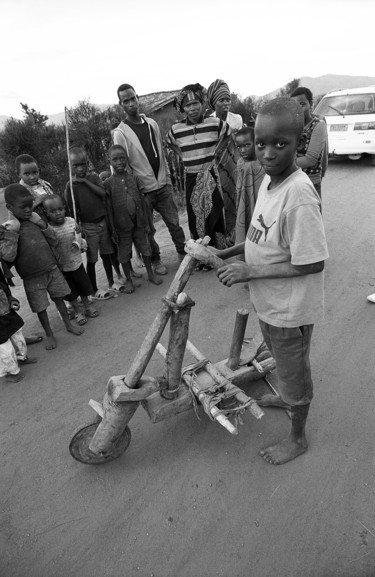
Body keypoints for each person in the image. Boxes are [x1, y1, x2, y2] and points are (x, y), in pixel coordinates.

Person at [212, 98, 329, 465]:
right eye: (261, 143)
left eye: (280, 144)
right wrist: (230, 251)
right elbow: (261, 235)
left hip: (289, 309)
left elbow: (312, 263)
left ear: (299, 142)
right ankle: (285, 396)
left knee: (295, 372)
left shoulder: (299, 195)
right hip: (270, 302)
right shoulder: (268, 183)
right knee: (280, 358)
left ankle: (298, 438)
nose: (267, 153)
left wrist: (250, 272)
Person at [113, 83, 186, 275]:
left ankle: (183, 254)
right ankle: (155, 260)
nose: (130, 103)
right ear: (121, 104)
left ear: (138, 98)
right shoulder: (120, 133)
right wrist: (133, 189)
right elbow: (121, 163)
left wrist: (168, 177)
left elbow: (160, 152)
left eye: (132, 98)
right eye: (125, 101)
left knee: (174, 223)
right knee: (148, 229)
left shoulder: (151, 123)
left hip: (163, 184)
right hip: (143, 189)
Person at [2, 184, 84, 350]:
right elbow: (7, 256)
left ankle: (68, 324)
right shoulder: (9, 229)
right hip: (32, 277)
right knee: (41, 308)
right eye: (22, 207)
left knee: (59, 299)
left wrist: (43, 225)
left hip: (52, 269)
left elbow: (54, 240)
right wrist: (13, 233)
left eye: (30, 205)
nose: (28, 209)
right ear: (9, 208)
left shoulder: (36, 220)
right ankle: (49, 334)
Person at [165, 83, 230, 267]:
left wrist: (216, 152)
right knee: (195, 216)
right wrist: (182, 155)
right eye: (187, 105)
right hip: (191, 176)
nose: (192, 108)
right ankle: (201, 258)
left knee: (215, 211)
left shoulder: (214, 123)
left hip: (210, 173)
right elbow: (169, 142)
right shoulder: (176, 129)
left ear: (202, 104)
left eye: (196, 104)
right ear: (182, 108)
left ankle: (220, 253)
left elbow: (227, 134)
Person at [104, 145, 162, 292]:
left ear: (127, 159)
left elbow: (143, 202)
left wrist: (148, 222)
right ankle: (129, 280)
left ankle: (150, 274)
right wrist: (113, 230)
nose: (119, 162)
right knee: (124, 253)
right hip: (121, 226)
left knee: (145, 248)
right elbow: (109, 210)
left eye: (122, 158)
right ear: (109, 161)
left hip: (140, 223)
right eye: (115, 159)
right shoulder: (108, 184)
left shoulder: (134, 178)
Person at [64, 147, 121, 299]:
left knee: (107, 254)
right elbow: (70, 209)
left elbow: (103, 193)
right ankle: (94, 290)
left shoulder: (94, 177)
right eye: (76, 165)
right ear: (70, 166)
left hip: (103, 223)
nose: (80, 168)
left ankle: (111, 282)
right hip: (88, 227)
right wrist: (77, 227)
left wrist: (85, 181)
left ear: (88, 163)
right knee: (92, 259)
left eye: (83, 164)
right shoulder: (70, 186)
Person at [43, 195, 99, 325]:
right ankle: (78, 311)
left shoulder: (71, 221)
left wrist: (80, 232)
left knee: (83, 287)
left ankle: (87, 306)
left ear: (64, 209)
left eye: (60, 209)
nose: (58, 213)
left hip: (77, 263)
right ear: (47, 213)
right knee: (71, 292)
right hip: (62, 267)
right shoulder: (48, 229)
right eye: (53, 211)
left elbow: (80, 237)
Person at [207, 79, 243, 242]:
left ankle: (236, 233)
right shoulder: (208, 122)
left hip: (234, 164)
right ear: (214, 102)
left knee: (235, 198)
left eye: (228, 99)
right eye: (222, 100)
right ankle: (224, 236)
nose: (226, 103)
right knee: (220, 200)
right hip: (217, 167)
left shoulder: (237, 119)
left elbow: (242, 142)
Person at [0, 236, 37, 382]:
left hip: (6, 310)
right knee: (4, 346)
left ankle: (22, 357)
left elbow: (3, 285)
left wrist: (11, 299)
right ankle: (11, 372)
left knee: (17, 334)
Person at [291, 87, 328, 198]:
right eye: (294, 107)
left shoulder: (318, 125)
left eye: (302, 105)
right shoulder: (290, 126)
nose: (297, 110)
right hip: (291, 180)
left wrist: (283, 164)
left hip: (310, 182)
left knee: (310, 214)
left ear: (311, 104)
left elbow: (310, 160)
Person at [234, 126, 265, 250]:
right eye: (239, 147)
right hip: (245, 204)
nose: (242, 150)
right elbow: (239, 189)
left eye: (247, 145)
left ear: (256, 143)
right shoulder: (241, 163)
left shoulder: (264, 163)